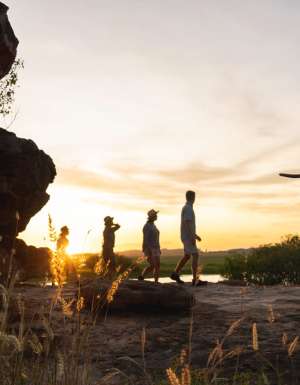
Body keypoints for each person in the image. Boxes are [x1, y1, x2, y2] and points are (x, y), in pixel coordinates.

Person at [170, 190, 207, 286]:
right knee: (195, 255)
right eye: (194, 197)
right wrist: (192, 237)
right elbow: (188, 223)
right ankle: (195, 280)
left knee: (187, 256)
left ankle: (175, 273)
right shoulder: (188, 208)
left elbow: (188, 223)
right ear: (193, 198)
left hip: (186, 235)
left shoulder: (187, 207)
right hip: (188, 236)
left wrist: (195, 235)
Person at [138, 209, 161, 284]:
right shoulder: (147, 226)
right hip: (150, 248)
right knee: (154, 265)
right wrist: (147, 250)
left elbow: (156, 238)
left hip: (156, 248)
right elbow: (146, 239)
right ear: (152, 216)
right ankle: (150, 279)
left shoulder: (153, 225)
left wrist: (159, 248)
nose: (156, 216)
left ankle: (154, 280)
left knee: (156, 265)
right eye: (155, 215)